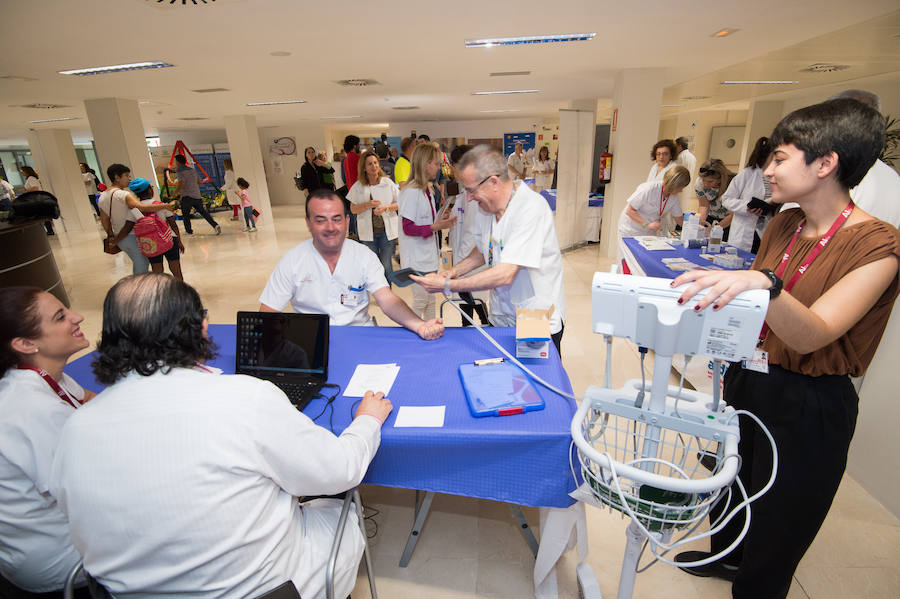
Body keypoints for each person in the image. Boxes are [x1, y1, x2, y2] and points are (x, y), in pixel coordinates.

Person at [671, 98, 900, 599]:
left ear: (826, 163)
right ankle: (725, 557)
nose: (766, 170)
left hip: (808, 401)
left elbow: (812, 332)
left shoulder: (878, 245)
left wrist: (761, 282)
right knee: (732, 482)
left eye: (779, 159)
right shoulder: (784, 223)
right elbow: (759, 311)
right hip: (750, 377)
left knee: (781, 515)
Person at [48, 273, 394, 597]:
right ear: (201, 327)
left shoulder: (75, 426)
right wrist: (366, 420)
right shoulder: (247, 398)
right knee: (342, 510)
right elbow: (339, 471)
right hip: (265, 590)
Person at [411, 145, 567, 354]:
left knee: (536, 381)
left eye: (470, 190)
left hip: (536, 318)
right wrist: (454, 271)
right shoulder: (487, 209)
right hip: (501, 316)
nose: (468, 198)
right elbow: (483, 250)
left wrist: (448, 284)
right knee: (501, 377)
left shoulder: (530, 209)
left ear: (493, 182)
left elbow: (506, 274)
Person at [0, 286, 94, 595]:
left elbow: (91, 399)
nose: (77, 317)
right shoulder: (33, 410)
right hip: (60, 561)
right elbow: (88, 490)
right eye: (61, 317)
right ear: (25, 343)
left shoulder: (40, 375)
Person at [260, 189, 445, 340]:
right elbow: (267, 314)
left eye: (336, 219)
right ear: (308, 223)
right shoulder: (292, 261)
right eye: (320, 220)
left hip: (359, 336)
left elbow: (387, 300)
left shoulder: (364, 256)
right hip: (311, 341)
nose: (330, 227)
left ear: (347, 221)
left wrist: (419, 325)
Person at [398, 142, 457, 320]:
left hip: (428, 256)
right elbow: (408, 228)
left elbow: (426, 220)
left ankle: (432, 329)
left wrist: (440, 219)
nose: (439, 168)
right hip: (416, 258)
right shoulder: (411, 192)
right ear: (425, 165)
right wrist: (434, 227)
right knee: (421, 300)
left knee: (431, 300)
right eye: (436, 164)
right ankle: (412, 335)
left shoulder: (427, 190)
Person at [98, 163, 173, 275]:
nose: (129, 179)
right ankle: (138, 288)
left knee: (139, 262)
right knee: (141, 264)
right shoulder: (124, 195)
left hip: (120, 237)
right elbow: (142, 207)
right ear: (116, 177)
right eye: (126, 176)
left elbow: (104, 220)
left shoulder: (103, 196)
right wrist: (165, 206)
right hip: (133, 235)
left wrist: (111, 235)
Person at [447, 144, 492, 326]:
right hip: (466, 259)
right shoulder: (464, 194)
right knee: (467, 306)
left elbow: (476, 234)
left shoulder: (478, 195)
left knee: (478, 307)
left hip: (473, 259)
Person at [348, 150, 400, 281]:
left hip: (386, 233)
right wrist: (367, 205)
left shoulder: (387, 183)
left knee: (386, 265)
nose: (374, 166)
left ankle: (388, 294)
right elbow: (353, 209)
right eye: (370, 164)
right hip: (368, 234)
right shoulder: (358, 186)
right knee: (373, 266)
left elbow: (400, 203)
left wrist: (386, 208)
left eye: (376, 163)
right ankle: (378, 292)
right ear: (364, 168)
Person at [721, 136, 773, 253]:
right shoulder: (747, 174)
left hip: (765, 230)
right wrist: (747, 206)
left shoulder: (777, 177)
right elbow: (726, 199)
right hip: (745, 231)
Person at [617, 165, 691, 246]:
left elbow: (679, 220)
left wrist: (695, 227)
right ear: (675, 184)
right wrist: (647, 225)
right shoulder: (649, 189)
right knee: (629, 257)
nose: (681, 191)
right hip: (631, 229)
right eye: (681, 187)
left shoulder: (674, 197)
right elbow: (629, 211)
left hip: (649, 231)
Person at [129, 177, 185, 281]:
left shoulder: (134, 209)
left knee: (157, 271)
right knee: (176, 269)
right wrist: (179, 241)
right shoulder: (161, 205)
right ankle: (181, 291)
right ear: (150, 190)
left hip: (150, 243)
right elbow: (173, 225)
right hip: (169, 239)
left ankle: (160, 293)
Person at [173, 154, 221, 236]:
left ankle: (189, 231)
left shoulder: (180, 171)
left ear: (178, 161)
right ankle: (215, 225)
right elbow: (199, 181)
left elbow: (182, 183)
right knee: (203, 212)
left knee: (186, 215)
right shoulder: (192, 170)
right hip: (196, 195)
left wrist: (175, 192)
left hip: (186, 196)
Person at [695, 158, 735, 238]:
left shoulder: (733, 185)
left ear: (720, 179)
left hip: (728, 221)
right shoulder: (699, 183)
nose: (706, 184)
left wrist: (716, 229)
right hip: (710, 217)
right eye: (704, 180)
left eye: (710, 181)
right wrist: (700, 223)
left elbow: (733, 214)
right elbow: (703, 206)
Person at [21, 166, 55, 235]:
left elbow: (35, 188)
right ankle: (48, 230)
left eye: (22, 171)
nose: (21, 172)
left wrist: (25, 191)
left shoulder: (31, 178)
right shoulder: (30, 179)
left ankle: (49, 230)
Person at [221, 158, 241, 222]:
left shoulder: (228, 172)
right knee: (235, 204)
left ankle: (252, 214)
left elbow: (228, 183)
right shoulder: (233, 171)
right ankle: (235, 216)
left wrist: (222, 188)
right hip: (234, 189)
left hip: (232, 190)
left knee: (238, 204)